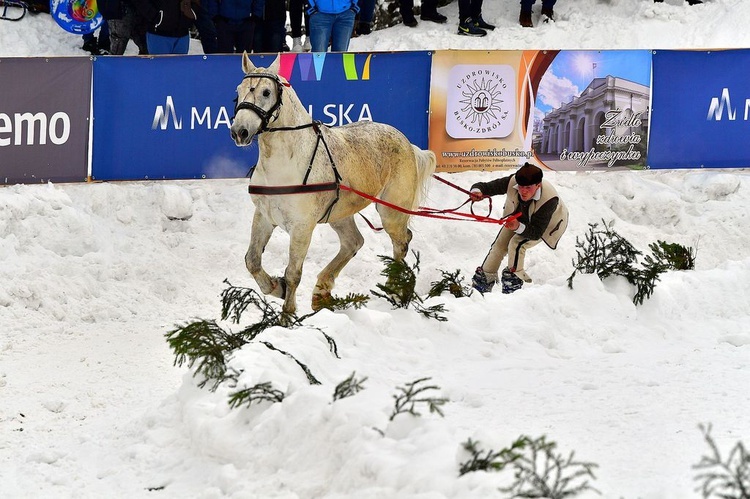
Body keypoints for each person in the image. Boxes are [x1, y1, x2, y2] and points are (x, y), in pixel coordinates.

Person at [468, 163, 569, 294]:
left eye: (528, 187)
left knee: (516, 244)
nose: (523, 191)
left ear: (538, 185)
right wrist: (477, 191)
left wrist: (517, 226)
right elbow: (487, 187)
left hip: (546, 225)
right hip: (519, 218)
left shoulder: (549, 200)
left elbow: (536, 233)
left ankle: (513, 280)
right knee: (499, 245)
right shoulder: (513, 181)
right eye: (521, 187)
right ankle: (484, 279)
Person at [132, 0, 199, 54]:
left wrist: (192, 12)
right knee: (160, 68)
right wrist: (156, 17)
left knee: (179, 69)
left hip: (183, 34)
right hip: (159, 34)